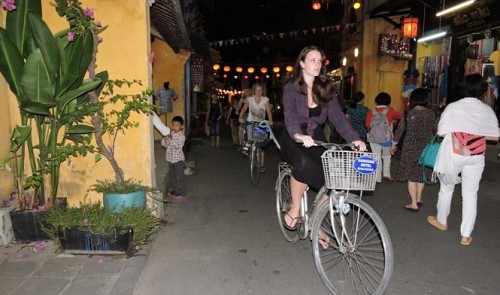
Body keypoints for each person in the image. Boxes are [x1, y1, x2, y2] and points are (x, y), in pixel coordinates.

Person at [280, 46, 366, 238]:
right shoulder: (291, 88)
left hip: (316, 137)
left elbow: (338, 117)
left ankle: (316, 219)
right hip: (294, 137)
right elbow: (290, 114)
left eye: (320, 61)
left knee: (334, 176)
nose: (317, 64)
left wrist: (355, 139)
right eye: (312, 60)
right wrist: (297, 134)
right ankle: (295, 207)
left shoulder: (327, 90)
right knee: (302, 163)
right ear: (302, 63)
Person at [427, 74, 499, 246]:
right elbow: (495, 137)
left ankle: (442, 221)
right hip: (476, 156)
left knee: (446, 189)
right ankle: (466, 235)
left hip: (455, 153)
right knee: (470, 194)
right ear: (482, 90)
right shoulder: (487, 109)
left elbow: (442, 133)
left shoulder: (453, 107)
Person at [391, 88, 438, 212]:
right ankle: (418, 198)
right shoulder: (431, 113)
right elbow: (437, 129)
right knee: (421, 172)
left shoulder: (408, 113)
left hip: (410, 146)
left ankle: (413, 203)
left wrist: (394, 144)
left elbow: (400, 130)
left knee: (411, 175)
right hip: (426, 147)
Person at [365, 92, 402, 182]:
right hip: (386, 138)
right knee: (386, 156)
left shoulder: (371, 111)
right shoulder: (390, 110)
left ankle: (377, 178)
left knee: (376, 157)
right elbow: (400, 116)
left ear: (376, 101)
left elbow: (367, 125)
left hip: (373, 138)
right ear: (388, 101)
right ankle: (386, 174)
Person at [238, 83, 273, 172]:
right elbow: (244, 109)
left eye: (260, 90)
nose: (258, 92)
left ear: (263, 91)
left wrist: (270, 121)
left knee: (262, 145)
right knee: (250, 136)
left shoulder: (265, 100)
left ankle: (261, 166)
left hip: (261, 124)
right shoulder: (249, 99)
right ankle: (246, 147)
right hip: (251, 122)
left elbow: (268, 111)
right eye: (257, 90)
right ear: (254, 91)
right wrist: (240, 117)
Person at [161, 116, 187, 201]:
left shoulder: (182, 136)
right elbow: (164, 145)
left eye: (177, 125)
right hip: (170, 159)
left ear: (181, 126)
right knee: (172, 176)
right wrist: (165, 139)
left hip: (178, 160)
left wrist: (171, 140)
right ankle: (175, 190)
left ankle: (181, 193)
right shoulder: (171, 134)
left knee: (179, 176)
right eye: (173, 125)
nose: (175, 127)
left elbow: (177, 146)